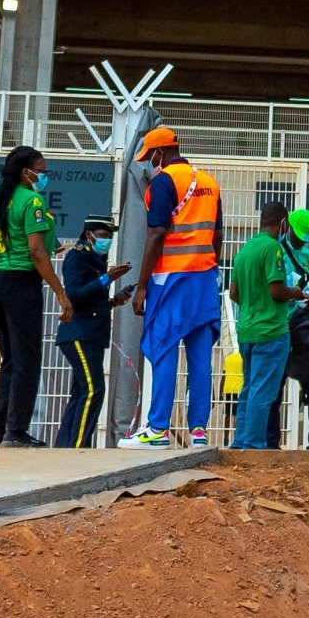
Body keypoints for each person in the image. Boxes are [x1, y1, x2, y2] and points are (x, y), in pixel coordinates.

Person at [120, 125, 223, 450]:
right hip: (204, 279)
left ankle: (157, 430)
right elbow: (217, 233)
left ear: (159, 153)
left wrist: (140, 287)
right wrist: (206, 263)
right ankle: (198, 432)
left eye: (150, 157)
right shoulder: (208, 181)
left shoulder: (165, 181)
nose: (150, 165)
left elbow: (156, 233)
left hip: (171, 278)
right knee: (200, 357)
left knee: (162, 347)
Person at [0, 144, 73, 448]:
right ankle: (16, 432)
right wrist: (61, 293)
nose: (44, 175)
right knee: (28, 360)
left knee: (10, 359)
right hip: (20, 282)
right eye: (41, 170)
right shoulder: (32, 200)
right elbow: (36, 251)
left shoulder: (2, 201)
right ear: (25, 172)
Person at [229, 199, 304, 448]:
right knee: (264, 393)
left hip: (247, 330)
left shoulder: (244, 250)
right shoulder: (273, 249)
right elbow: (276, 290)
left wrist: (253, 303)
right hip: (271, 331)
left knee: (249, 389)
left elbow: (233, 293)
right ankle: (253, 446)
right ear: (283, 223)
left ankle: (240, 442)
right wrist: (296, 293)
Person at [56, 215, 131, 447]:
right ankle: (78, 447)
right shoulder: (78, 256)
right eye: (102, 236)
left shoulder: (93, 257)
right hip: (79, 332)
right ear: (88, 234)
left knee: (81, 392)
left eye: (109, 237)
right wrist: (107, 278)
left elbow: (90, 301)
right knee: (93, 389)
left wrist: (113, 301)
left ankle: (64, 448)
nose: (106, 241)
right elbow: (75, 295)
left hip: (91, 332)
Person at [268, 205, 309, 450]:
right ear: (288, 228)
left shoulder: (308, 256)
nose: (302, 242)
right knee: (275, 384)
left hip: (304, 324)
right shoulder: (277, 251)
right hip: (281, 324)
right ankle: (271, 442)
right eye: (299, 236)